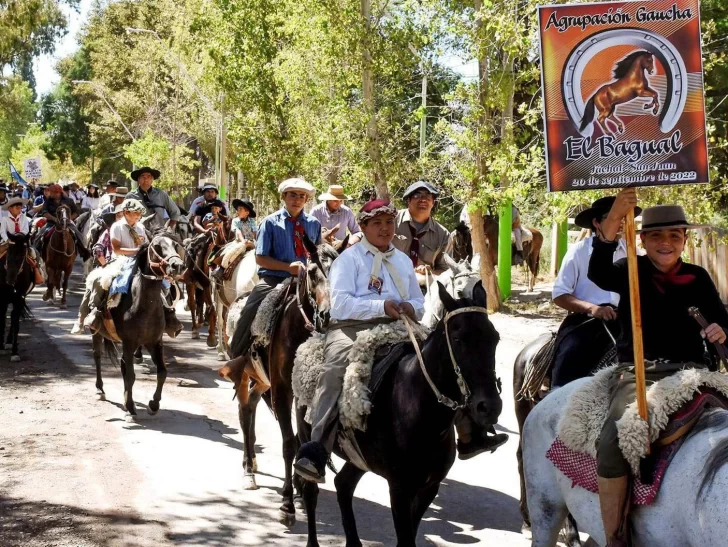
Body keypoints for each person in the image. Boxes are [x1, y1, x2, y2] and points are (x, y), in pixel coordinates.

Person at [588, 188, 728, 547]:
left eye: (674, 235)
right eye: (656, 235)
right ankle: (615, 535)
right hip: (639, 372)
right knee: (614, 441)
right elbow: (597, 272)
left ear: (684, 240)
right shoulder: (627, 270)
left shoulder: (698, 277)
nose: (666, 242)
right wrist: (615, 217)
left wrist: (720, 329)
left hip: (696, 373)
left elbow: (723, 320)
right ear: (643, 239)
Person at [294, 199, 425, 483]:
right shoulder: (348, 260)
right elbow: (339, 305)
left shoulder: (403, 260)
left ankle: (467, 431)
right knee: (334, 370)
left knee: (445, 354)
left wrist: (413, 308)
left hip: (400, 324)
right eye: (377, 223)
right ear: (363, 227)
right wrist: (381, 307)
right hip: (351, 327)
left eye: (389, 223)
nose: (384, 229)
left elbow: (418, 299)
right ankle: (316, 450)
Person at [549, 196, 641, 388]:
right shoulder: (578, 252)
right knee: (572, 351)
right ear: (597, 223)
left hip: (627, 319)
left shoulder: (634, 253)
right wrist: (592, 308)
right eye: (614, 218)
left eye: (624, 218)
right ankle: (556, 394)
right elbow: (559, 294)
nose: (621, 223)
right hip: (587, 321)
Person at [228, 178, 321, 359]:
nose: (297, 200)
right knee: (251, 308)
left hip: (307, 281)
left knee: (330, 307)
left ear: (307, 200)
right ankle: (237, 357)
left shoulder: (313, 224)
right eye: (292, 195)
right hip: (274, 279)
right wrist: (288, 268)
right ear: (284, 197)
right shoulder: (270, 222)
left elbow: (318, 254)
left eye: (302, 196)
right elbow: (260, 258)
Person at [393, 181, 452, 286]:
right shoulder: (392, 221)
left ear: (433, 203)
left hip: (423, 288)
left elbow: (445, 269)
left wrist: (428, 272)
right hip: (390, 281)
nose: (423, 199)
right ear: (409, 200)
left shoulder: (443, 235)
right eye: (417, 195)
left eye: (428, 196)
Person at [35, 183, 90, 261]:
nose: (51, 193)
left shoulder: (69, 201)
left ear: (58, 192)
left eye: (52, 192)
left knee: (77, 233)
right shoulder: (48, 201)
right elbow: (44, 212)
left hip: (67, 223)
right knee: (39, 235)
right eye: (51, 192)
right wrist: (54, 219)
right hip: (51, 223)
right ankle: (36, 253)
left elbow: (76, 212)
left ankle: (84, 252)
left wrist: (69, 218)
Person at [0, 197, 44, 284]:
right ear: (10, 209)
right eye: (17, 208)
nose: (19, 210)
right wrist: (7, 239)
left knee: (34, 254)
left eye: (20, 208)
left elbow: (26, 230)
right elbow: (2, 232)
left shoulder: (23, 217)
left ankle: (37, 270)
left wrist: (19, 236)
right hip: (8, 241)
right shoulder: (5, 219)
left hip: (22, 240)